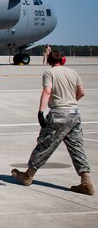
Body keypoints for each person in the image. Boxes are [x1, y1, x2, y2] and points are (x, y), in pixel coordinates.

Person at [12, 50, 93, 195]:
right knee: (77, 148)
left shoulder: (49, 73)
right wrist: (70, 102)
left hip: (58, 114)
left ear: (49, 61)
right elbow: (81, 92)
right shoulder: (73, 72)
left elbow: (47, 91)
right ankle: (86, 181)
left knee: (44, 145)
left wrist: (40, 112)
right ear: (62, 60)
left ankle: (28, 176)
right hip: (74, 114)